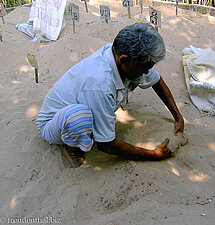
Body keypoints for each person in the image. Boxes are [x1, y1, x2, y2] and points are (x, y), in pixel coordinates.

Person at [36, 22, 184, 168]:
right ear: (124, 60)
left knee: (97, 107)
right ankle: (73, 148)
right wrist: (152, 154)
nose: (147, 72)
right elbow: (106, 145)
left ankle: (91, 126)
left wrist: (177, 116)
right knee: (79, 118)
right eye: (145, 68)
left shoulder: (120, 55)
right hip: (54, 123)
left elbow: (156, 81)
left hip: (85, 101)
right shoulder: (99, 84)